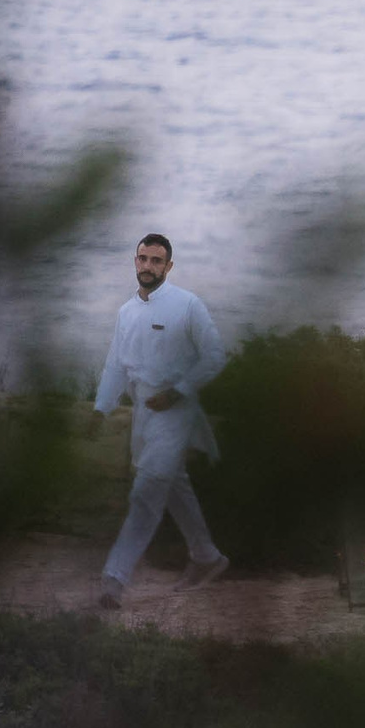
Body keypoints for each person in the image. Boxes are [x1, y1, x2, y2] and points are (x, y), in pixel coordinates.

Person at [92, 233, 228, 609]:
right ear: (134, 261)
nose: (148, 266)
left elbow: (215, 355)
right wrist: (101, 409)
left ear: (168, 266)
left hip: (177, 411)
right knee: (172, 486)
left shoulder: (187, 305)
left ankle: (113, 580)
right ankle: (206, 556)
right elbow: (115, 366)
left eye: (156, 260)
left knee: (146, 494)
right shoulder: (125, 312)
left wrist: (178, 391)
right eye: (142, 258)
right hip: (143, 413)